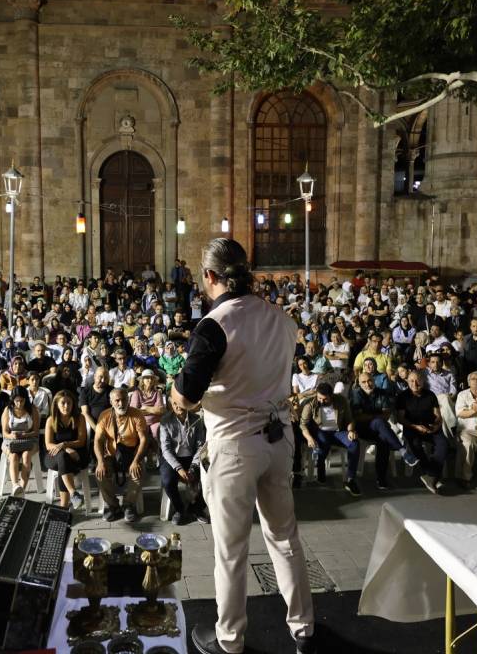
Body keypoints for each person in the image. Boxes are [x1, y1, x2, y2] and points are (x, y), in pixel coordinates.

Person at [170, 238, 315, 654]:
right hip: (278, 437)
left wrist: (176, 393)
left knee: (231, 550)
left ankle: (230, 639)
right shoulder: (282, 319)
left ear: (211, 277)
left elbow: (186, 397)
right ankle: (303, 628)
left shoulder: (215, 325)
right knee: (285, 537)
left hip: (234, 446)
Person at [94, 387, 149, 523]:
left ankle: (128, 505)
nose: (121, 403)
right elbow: (98, 440)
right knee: (100, 472)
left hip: (132, 455)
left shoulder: (137, 415)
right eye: (117, 400)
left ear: (128, 400)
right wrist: (100, 462)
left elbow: (144, 439)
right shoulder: (105, 416)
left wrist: (136, 461)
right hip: (111, 456)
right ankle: (112, 505)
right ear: (111, 402)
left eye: (124, 399)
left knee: (138, 471)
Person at [396, 370, 448, 495]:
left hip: (430, 427)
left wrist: (436, 425)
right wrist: (416, 427)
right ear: (407, 382)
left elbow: (438, 415)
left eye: (417, 380)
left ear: (423, 381)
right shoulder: (403, 397)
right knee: (416, 445)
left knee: (443, 444)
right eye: (411, 381)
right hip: (412, 428)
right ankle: (432, 475)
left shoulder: (430, 395)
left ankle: (430, 475)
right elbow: (401, 419)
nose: (415, 383)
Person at [158, 399, 208, 524]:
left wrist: (193, 467)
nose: (178, 406)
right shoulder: (165, 421)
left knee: (210, 477)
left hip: (191, 457)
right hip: (172, 458)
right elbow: (166, 449)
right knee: (167, 481)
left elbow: (200, 446)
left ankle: (197, 507)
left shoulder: (197, 420)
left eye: (181, 403)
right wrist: (179, 468)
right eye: (175, 403)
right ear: (171, 405)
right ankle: (180, 509)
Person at [44, 390, 89, 509]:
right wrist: (65, 449)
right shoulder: (51, 420)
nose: (66, 406)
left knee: (62, 465)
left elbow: (81, 441)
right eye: (63, 403)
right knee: (62, 458)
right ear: (56, 405)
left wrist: (64, 445)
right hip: (54, 454)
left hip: (77, 455)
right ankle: (73, 493)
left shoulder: (80, 418)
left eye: (69, 403)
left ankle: (63, 507)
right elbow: (48, 444)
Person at [300, 382, 352, 485]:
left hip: (338, 431)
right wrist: (309, 438)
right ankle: (321, 473)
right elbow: (303, 424)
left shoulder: (341, 401)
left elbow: (349, 419)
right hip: (321, 430)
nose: (321, 401)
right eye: (319, 398)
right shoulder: (310, 404)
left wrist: (351, 431)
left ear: (331, 396)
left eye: (325, 399)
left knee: (354, 444)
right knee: (323, 441)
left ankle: (351, 478)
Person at [1, 386, 40, 495]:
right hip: (11, 441)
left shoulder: (32, 410)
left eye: (21, 401)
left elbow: (36, 431)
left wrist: (24, 434)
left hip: (29, 440)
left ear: (25, 399)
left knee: (26, 456)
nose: (19, 403)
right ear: (13, 400)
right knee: (13, 456)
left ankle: (22, 488)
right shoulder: (8, 410)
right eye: (16, 401)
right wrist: (12, 436)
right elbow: (4, 432)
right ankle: (15, 485)